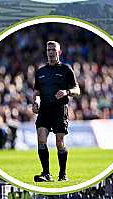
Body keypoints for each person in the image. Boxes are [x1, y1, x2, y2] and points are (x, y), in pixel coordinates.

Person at [31, 40, 80, 182]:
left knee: (59, 142)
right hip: (44, 110)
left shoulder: (66, 69)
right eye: (48, 50)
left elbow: (77, 90)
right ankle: (46, 173)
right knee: (41, 138)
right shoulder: (41, 72)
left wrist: (67, 92)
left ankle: (62, 174)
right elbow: (37, 92)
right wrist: (35, 103)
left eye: (53, 50)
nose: (51, 52)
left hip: (60, 110)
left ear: (59, 52)